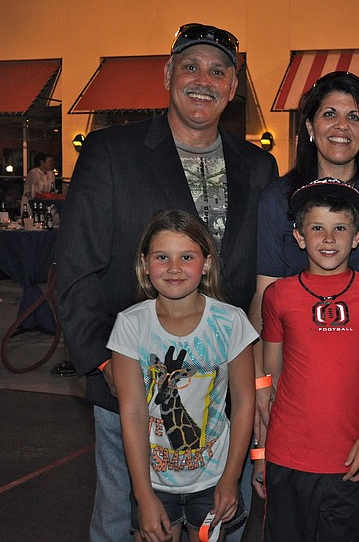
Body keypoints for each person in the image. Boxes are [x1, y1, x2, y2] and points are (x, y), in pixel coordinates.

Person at [54, 23, 278, 542]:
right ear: (167, 74)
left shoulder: (258, 166)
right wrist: (106, 364)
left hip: (225, 397)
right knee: (124, 522)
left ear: (233, 86)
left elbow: (263, 283)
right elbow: (76, 268)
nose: (203, 80)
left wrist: (259, 382)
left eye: (218, 71)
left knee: (221, 523)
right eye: (191, 66)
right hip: (134, 385)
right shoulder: (111, 152)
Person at [250, 70, 359, 540]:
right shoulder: (279, 198)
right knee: (293, 514)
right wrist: (261, 385)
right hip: (300, 384)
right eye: (329, 114)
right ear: (309, 126)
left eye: (354, 116)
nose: (341, 126)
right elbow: (266, 297)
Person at [253, 178, 359, 541]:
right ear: (299, 236)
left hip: (349, 459)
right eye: (317, 228)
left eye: (340, 228)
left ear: (357, 236)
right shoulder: (279, 295)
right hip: (287, 459)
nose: (329, 239)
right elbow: (268, 384)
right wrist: (261, 454)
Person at [110, 210, 256, 542]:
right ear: (145, 264)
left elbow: (244, 402)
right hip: (153, 483)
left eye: (186, 257)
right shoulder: (131, 324)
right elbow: (132, 411)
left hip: (213, 479)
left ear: (206, 263)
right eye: (162, 257)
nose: (174, 267)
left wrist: (231, 479)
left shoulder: (231, 321)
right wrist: (143, 495)